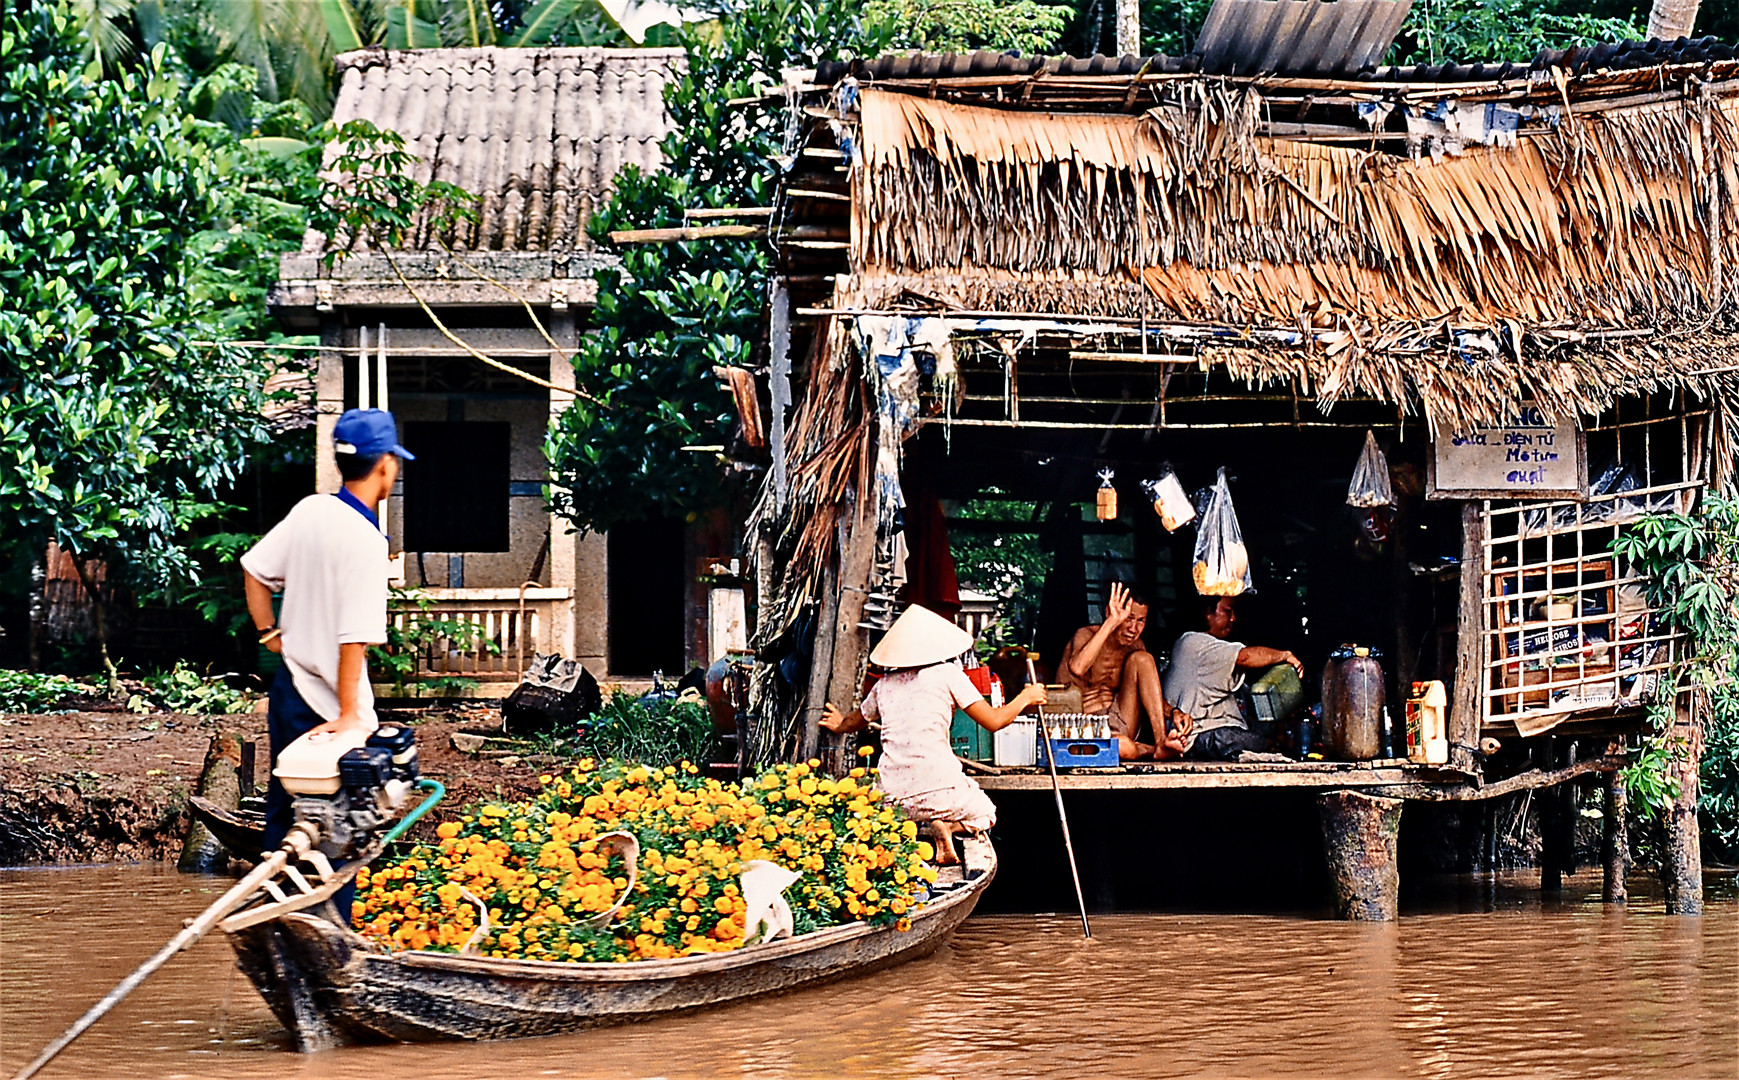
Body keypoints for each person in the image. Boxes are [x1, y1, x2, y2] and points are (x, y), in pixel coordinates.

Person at [240, 409, 411, 915]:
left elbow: (253, 570)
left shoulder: (311, 511)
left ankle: (277, 918)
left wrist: (269, 633)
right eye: (393, 464)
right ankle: (329, 929)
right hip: (331, 702)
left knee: (285, 810)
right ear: (383, 465)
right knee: (341, 828)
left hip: (290, 687)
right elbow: (353, 639)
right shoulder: (365, 540)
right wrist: (350, 715)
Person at [820, 604, 1046, 864]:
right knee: (985, 813)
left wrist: (838, 724)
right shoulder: (948, 674)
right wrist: (1025, 698)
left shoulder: (884, 685)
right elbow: (994, 721)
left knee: (901, 810)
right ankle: (949, 828)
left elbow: (854, 721)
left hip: (892, 799)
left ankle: (927, 828)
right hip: (940, 790)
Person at [1057, 582, 1193, 760]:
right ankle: (1147, 750)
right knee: (1125, 747)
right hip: (1082, 725)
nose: (1133, 629)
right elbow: (1077, 668)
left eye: (1140, 621)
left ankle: (1160, 742)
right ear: (1109, 612)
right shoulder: (1085, 635)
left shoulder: (1135, 647)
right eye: (1128, 618)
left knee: (1143, 659)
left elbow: (1151, 694)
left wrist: (1174, 712)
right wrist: (1111, 622)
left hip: (1118, 721)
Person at [1163, 595, 1304, 761]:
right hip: (1201, 737)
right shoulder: (1192, 643)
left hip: (1226, 734)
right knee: (1246, 741)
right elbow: (1246, 657)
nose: (1233, 618)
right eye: (1227, 611)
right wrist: (1284, 655)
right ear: (1207, 613)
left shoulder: (1219, 666)